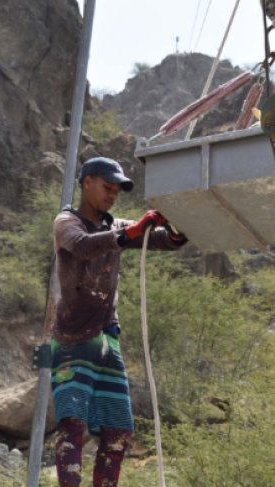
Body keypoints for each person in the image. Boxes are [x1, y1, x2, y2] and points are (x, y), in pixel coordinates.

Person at [50, 156, 187, 487]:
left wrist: (175, 222)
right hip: (71, 337)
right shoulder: (67, 221)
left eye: (116, 191)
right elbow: (83, 247)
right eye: (106, 188)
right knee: (72, 421)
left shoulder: (115, 227)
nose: (112, 195)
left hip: (107, 336)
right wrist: (133, 231)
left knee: (118, 428)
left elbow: (164, 241)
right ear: (87, 183)